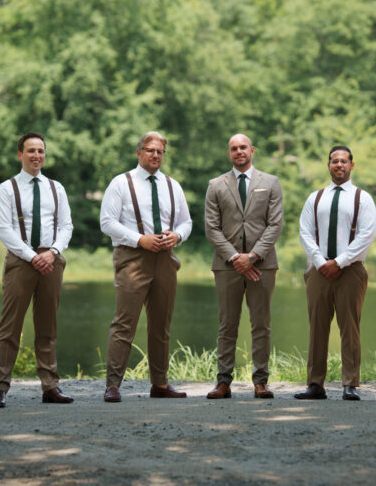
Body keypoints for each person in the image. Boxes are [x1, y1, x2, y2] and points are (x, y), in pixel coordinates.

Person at [100, 131, 193, 402]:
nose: (155, 155)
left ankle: (160, 384)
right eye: (150, 150)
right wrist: (140, 239)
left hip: (166, 259)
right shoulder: (121, 183)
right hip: (132, 258)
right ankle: (113, 385)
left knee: (161, 323)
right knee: (124, 323)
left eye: (160, 151)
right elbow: (107, 222)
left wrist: (178, 236)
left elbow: (186, 222)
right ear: (139, 152)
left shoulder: (172, 185)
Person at [0, 132, 74, 408]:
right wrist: (30, 255)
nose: (36, 156)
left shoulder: (55, 188)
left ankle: (50, 386)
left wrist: (52, 252)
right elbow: (4, 229)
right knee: (9, 326)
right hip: (20, 261)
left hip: (52, 260)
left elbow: (65, 226)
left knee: (47, 325)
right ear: (20, 155)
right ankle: (0, 387)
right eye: (31, 151)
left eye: (40, 151)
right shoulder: (7, 188)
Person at [204, 134, 284, 400]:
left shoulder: (270, 183)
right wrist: (236, 258)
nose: (239, 151)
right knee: (227, 324)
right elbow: (212, 228)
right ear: (229, 153)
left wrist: (252, 256)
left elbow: (275, 225)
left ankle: (261, 382)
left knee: (261, 324)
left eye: (243, 147)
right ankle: (223, 382)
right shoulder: (216, 185)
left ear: (252, 150)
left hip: (263, 265)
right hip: (227, 266)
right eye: (233, 148)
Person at [295, 145, 376, 401]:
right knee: (317, 327)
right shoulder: (315, 198)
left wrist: (339, 262)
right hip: (319, 270)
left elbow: (366, 235)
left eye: (344, 161)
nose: (339, 165)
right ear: (328, 165)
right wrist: (321, 262)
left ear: (352, 165)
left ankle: (350, 383)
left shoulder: (362, 198)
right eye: (334, 161)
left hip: (350, 270)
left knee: (349, 327)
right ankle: (315, 384)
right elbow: (305, 232)